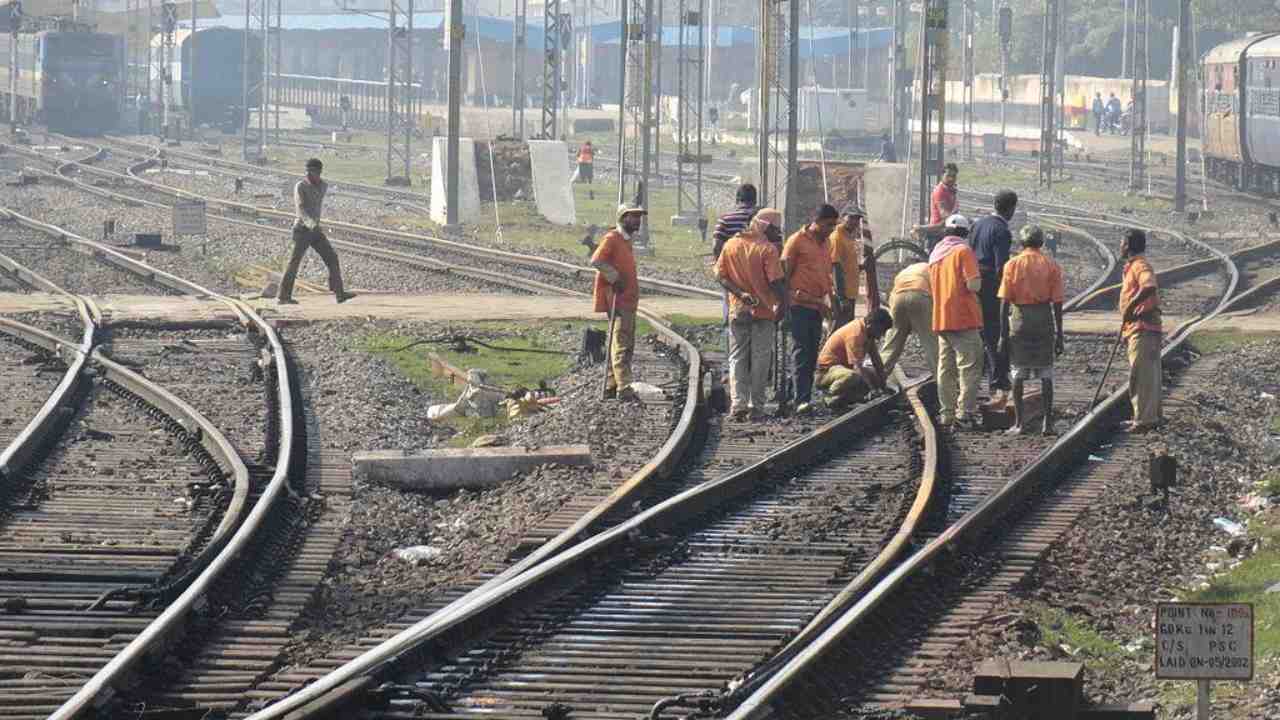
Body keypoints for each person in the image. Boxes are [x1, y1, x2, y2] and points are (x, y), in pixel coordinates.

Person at [714, 208, 786, 421]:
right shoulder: (767, 249)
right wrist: (784, 304)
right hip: (763, 311)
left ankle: (738, 404)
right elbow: (775, 281)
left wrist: (740, 294)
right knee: (760, 358)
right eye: (775, 229)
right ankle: (757, 406)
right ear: (765, 226)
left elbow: (721, 276)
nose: (778, 234)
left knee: (737, 357)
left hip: (738, 309)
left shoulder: (731, 245)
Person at [997, 224, 1065, 436]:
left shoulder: (1012, 265)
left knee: (1018, 372)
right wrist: (1059, 334)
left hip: (1020, 319)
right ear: (1042, 243)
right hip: (1043, 319)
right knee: (1046, 373)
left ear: (1021, 243)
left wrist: (1002, 335)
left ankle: (1019, 423)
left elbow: (1004, 303)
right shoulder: (1051, 265)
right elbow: (1058, 303)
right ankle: (1048, 424)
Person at [782, 204, 839, 414]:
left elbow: (826, 274)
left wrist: (831, 300)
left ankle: (792, 394)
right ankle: (801, 400)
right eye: (828, 224)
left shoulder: (826, 244)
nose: (832, 229)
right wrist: (784, 306)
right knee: (801, 352)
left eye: (834, 225)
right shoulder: (796, 241)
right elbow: (785, 276)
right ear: (816, 221)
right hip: (799, 305)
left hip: (817, 305)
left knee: (810, 353)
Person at [929, 214, 984, 430]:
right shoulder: (963, 251)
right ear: (965, 233)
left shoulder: (936, 254)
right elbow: (973, 286)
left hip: (942, 318)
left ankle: (947, 413)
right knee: (969, 366)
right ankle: (965, 413)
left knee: (946, 368)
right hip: (963, 318)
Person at [278, 159, 354, 305]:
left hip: (315, 231)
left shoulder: (323, 186)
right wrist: (311, 224)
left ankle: (339, 293)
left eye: (311, 172)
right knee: (294, 262)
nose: (308, 174)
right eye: (307, 171)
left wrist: (315, 226)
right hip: (302, 230)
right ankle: (283, 296)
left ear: (319, 172)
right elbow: (301, 209)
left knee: (332, 257)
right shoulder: (300, 186)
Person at [969, 190, 1017, 410]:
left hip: (975, 282)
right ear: (1010, 209)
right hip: (990, 285)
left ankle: (978, 377)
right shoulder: (1002, 230)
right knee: (995, 332)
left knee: (978, 333)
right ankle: (998, 380)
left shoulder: (978, 224)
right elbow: (1002, 267)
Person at [593, 206, 646, 401]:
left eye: (639, 217)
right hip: (618, 298)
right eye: (634, 217)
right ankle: (624, 387)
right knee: (622, 343)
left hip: (627, 299)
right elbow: (597, 260)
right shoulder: (612, 238)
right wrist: (614, 278)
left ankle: (610, 385)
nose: (638, 221)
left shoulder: (625, 240)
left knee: (621, 342)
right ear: (623, 218)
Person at [1118, 228, 1163, 432]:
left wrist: (1129, 307)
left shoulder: (1140, 265)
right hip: (1138, 327)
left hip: (1143, 327)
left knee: (1142, 375)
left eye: (1121, 242)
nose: (1119, 246)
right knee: (1144, 374)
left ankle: (1144, 421)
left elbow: (1149, 286)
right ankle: (1145, 416)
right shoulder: (1132, 266)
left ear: (1127, 245)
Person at [816, 308, 893, 410]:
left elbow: (876, 360)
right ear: (871, 324)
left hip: (842, 369)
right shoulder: (856, 334)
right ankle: (830, 396)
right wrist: (873, 390)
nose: (882, 335)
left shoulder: (868, 333)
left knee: (873, 375)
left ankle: (849, 397)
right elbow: (857, 367)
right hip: (826, 372)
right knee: (853, 376)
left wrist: (883, 385)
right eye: (881, 330)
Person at [879, 261, 938, 378]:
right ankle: (942, 382)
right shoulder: (933, 268)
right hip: (920, 295)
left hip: (898, 298)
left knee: (892, 343)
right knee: (931, 343)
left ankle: (877, 378)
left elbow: (892, 297)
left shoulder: (905, 272)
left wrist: (900, 325)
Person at [828, 204, 878, 331]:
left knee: (845, 330)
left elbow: (847, 266)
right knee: (837, 330)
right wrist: (841, 298)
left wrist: (861, 266)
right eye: (851, 218)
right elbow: (835, 267)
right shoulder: (837, 237)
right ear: (843, 217)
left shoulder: (848, 238)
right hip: (842, 294)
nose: (855, 222)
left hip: (850, 293)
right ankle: (828, 351)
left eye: (857, 219)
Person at [912, 163, 959, 250]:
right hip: (938, 232)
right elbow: (944, 214)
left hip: (946, 229)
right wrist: (959, 218)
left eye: (954, 176)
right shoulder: (940, 191)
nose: (951, 179)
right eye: (948, 175)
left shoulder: (951, 190)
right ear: (942, 175)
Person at [712, 184, 759, 259]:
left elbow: (716, 247)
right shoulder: (763, 219)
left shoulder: (725, 219)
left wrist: (720, 265)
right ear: (755, 200)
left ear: (737, 200)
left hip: (732, 268)